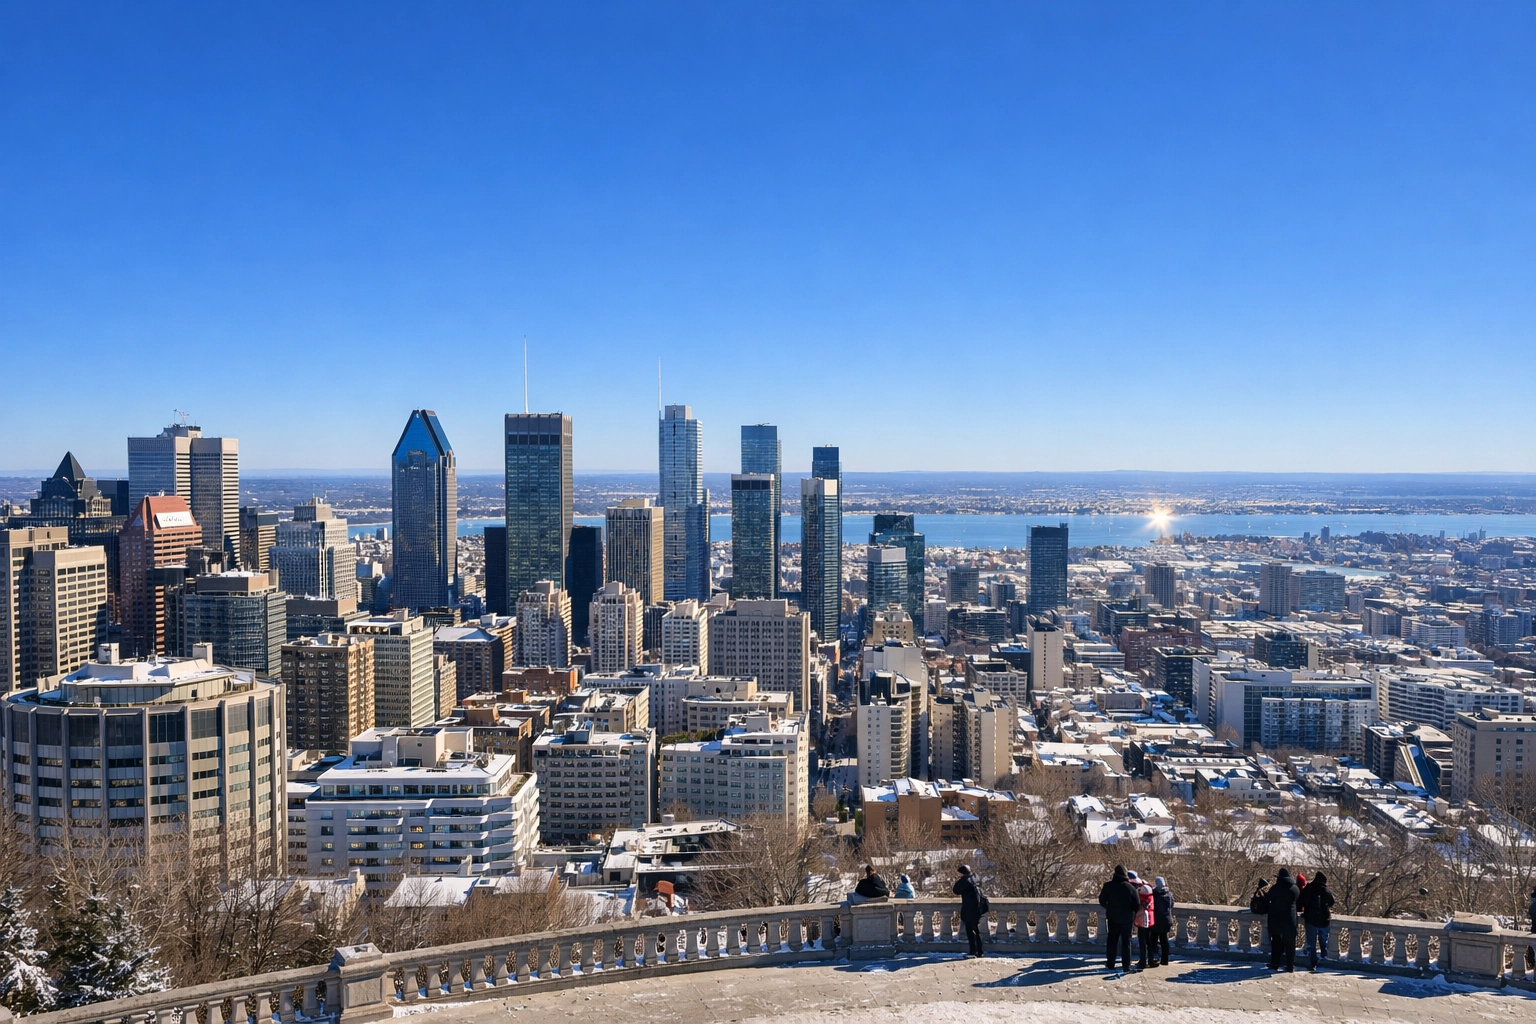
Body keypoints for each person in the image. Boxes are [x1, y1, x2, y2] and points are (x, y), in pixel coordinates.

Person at [1098, 864, 1140, 972]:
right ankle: (1126, 965)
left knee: (1112, 940)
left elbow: (1102, 901)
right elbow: (1137, 905)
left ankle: (1110, 962)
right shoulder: (1130, 888)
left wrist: (1109, 907)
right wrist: (1130, 910)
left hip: (1112, 917)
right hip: (1127, 918)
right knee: (1126, 942)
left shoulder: (1108, 886)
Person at [1296, 872, 1335, 972]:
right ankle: (1323, 957)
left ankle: (1313, 961)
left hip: (1311, 919)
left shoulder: (1308, 888)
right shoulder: (1326, 890)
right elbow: (1331, 902)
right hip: (1324, 920)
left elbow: (1301, 901)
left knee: (1311, 942)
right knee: (1323, 941)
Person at [1265, 868, 1301, 972]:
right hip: (1290, 920)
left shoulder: (1277, 888)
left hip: (1276, 920)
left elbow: (1267, 897)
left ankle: (1275, 963)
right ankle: (1290, 965)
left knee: (1276, 942)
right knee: (1290, 944)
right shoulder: (1295, 888)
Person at [953, 864, 985, 958]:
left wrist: (961, 879)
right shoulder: (975, 877)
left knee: (970, 930)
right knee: (975, 930)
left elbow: (955, 890)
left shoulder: (964, 881)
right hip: (978, 906)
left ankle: (973, 952)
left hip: (970, 907)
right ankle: (980, 951)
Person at [1129, 871, 1155, 969]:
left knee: (1142, 941)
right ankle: (1151, 959)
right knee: (1148, 941)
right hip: (1150, 920)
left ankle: (1143, 961)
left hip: (1142, 920)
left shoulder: (1142, 897)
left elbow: (1137, 906)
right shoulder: (1151, 893)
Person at [1149, 876, 1174, 967]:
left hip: (1155, 920)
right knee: (1164, 940)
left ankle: (1153, 958)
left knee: (1153, 940)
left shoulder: (1154, 894)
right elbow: (1171, 905)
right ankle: (1165, 960)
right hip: (1166, 920)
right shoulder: (1169, 894)